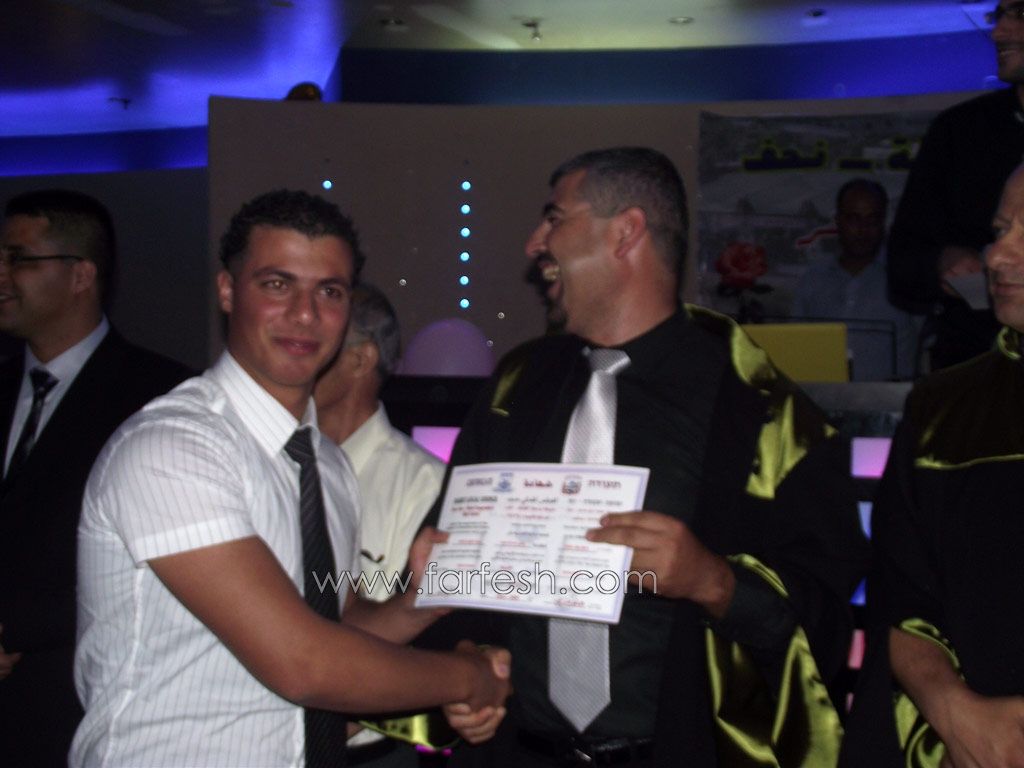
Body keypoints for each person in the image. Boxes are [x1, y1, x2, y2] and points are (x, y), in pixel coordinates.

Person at [426, 147, 869, 767]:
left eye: (554, 218)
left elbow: (827, 616)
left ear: (625, 232)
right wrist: (465, 659)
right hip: (517, 754)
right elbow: (453, 562)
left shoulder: (760, 409)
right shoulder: (515, 387)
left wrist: (713, 582)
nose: (535, 243)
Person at [72, 189, 510, 767]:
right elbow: (304, 663)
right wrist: (468, 677)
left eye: (329, 292)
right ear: (228, 291)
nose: (305, 314)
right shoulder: (173, 447)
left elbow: (338, 626)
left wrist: (422, 600)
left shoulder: (327, 464)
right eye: (277, 284)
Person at [841, 163, 1024, 766]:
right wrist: (955, 716)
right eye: (1000, 231)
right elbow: (900, 594)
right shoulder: (945, 409)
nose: (998, 256)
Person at [0, 189, 191, 766]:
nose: (2, 274)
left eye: (17, 258)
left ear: (80, 275)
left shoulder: (160, 397)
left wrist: (17, 631)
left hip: (75, 711)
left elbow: (160, 561)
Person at [314, 282, 446, 767]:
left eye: (319, 338)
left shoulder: (424, 484)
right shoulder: (276, 462)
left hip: (369, 752)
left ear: (360, 359)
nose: (298, 349)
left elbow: (421, 641)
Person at [885, 1, 1024, 369]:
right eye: (998, 16)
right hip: (975, 366)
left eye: (1020, 14)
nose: (998, 32)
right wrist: (940, 261)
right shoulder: (960, 132)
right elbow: (902, 263)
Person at [792, 178, 920, 380]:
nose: (863, 229)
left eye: (872, 220)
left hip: (891, 398)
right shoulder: (813, 279)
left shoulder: (906, 278)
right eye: (854, 219)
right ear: (838, 220)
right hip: (821, 396)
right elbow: (796, 346)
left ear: (883, 222)